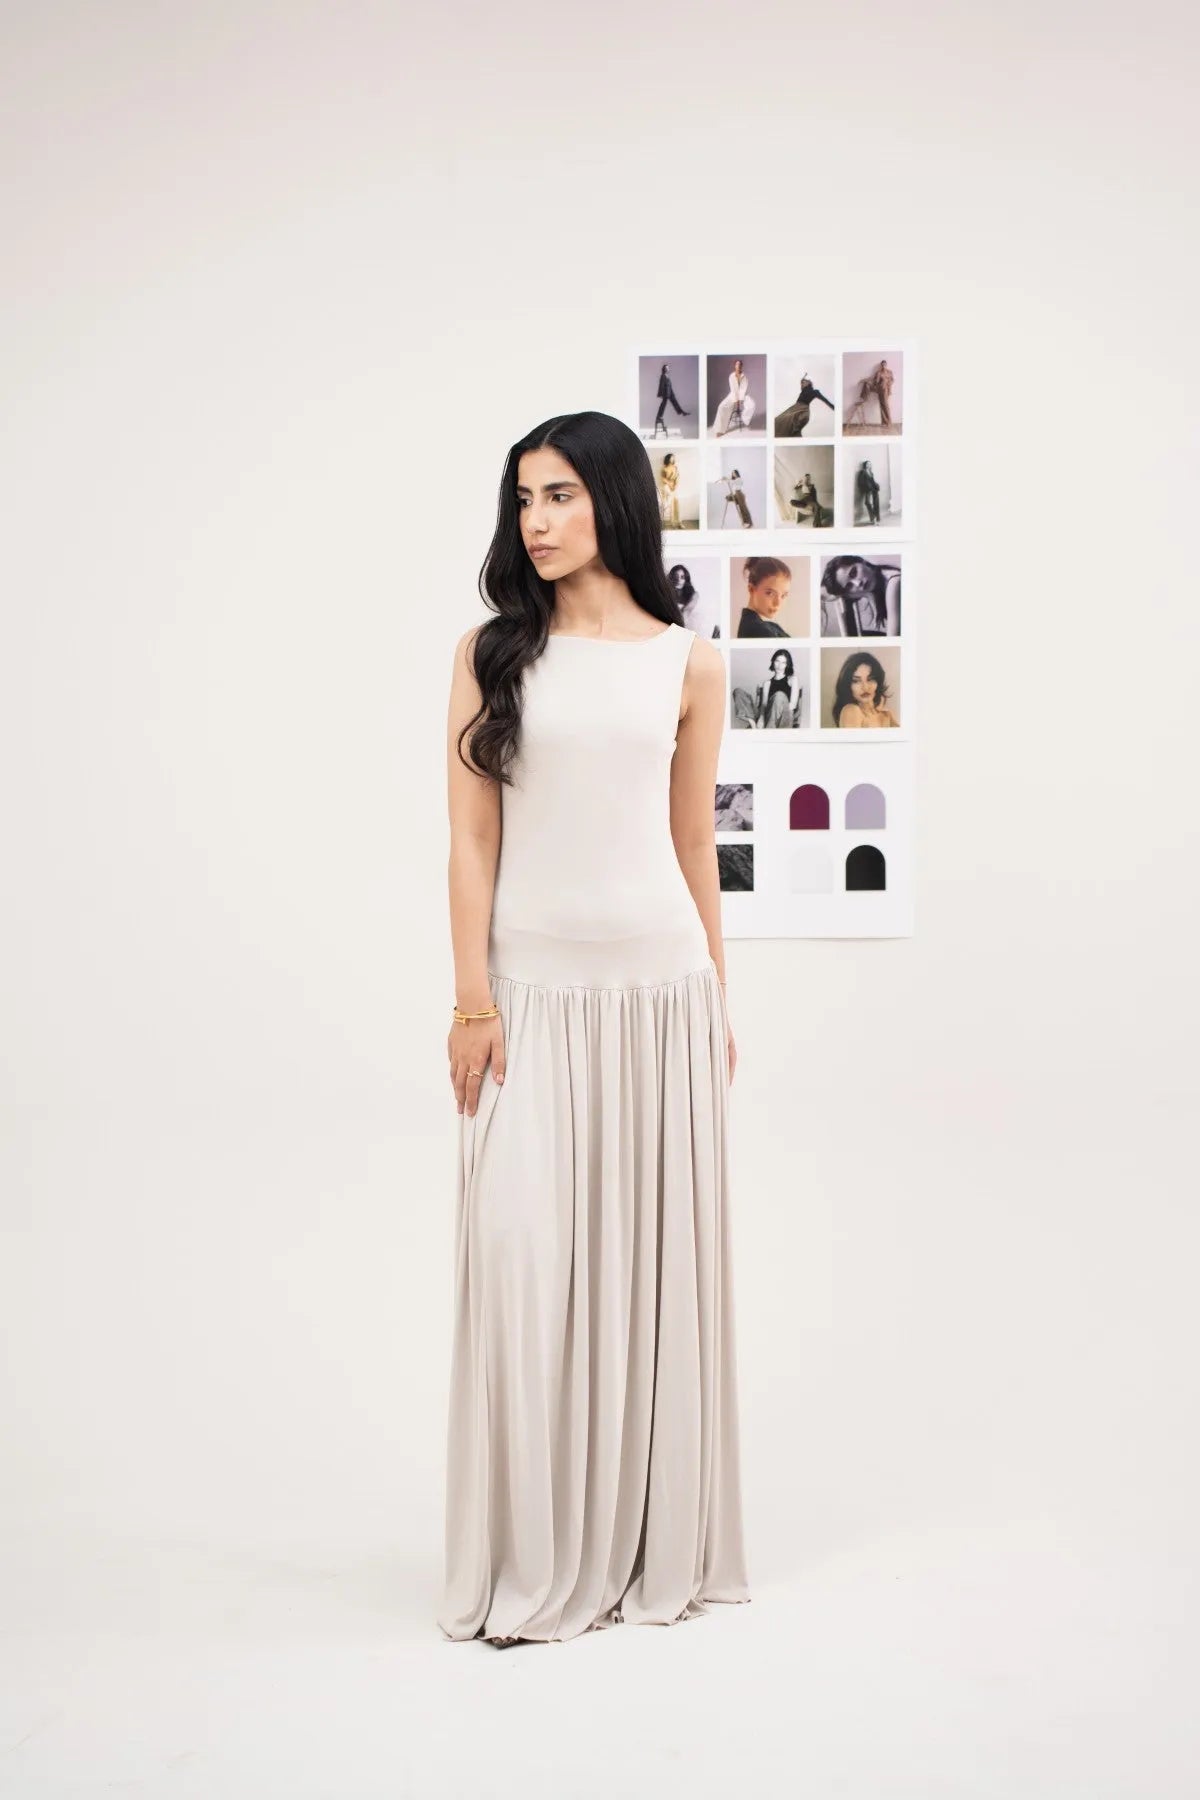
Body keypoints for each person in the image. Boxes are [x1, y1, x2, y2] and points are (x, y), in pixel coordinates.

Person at [439, 410, 751, 1647]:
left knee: (649, 1274)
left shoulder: (690, 662)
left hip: (659, 990)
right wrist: (471, 999)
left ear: (615, 499)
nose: (538, 521)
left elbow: (694, 840)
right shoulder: (491, 653)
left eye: (561, 494)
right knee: (525, 1258)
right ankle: (536, 1553)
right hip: (529, 999)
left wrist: (717, 995)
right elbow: (471, 839)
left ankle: (639, 1546)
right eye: (524, 499)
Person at [819, 555, 901, 636]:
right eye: (849, 586)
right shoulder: (878, 579)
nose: (858, 583)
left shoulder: (893, 584)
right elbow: (828, 595)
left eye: (854, 573)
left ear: (861, 561)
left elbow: (892, 639)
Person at [830, 651, 898, 727]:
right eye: (856, 681)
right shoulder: (851, 710)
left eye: (870, 679)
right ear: (847, 685)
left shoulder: (887, 715)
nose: (865, 687)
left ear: (878, 681)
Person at [736, 555, 792, 637]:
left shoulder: (767, 626)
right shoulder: (759, 631)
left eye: (783, 595)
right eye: (770, 593)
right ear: (751, 589)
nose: (777, 603)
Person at [713, 358, 756, 435]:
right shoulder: (731, 376)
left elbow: (743, 389)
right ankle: (720, 430)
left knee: (752, 404)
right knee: (721, 407)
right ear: (735, 366)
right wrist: (736, 400)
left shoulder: (744, 377)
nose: (738, 366)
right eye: (737, 364)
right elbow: (733, 389)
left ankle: (744, 418)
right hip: (733, 394)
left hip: (743, 395)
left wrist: (741, 400)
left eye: (740, 364)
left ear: (742, 366)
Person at [653, 361, 690, 431]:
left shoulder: (667, 376)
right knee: (663, 405)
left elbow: (670, 386)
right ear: (664, 369)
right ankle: (659, 416)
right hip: (665, 394)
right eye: (667, 368)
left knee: (675, 402)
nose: (668, 369)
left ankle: (681, 412)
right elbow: (661, 385)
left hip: (670, 393)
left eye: (668, 368)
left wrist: (672, 393)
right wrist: (661, 394)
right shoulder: (663, 376)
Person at [658, 450, 681, 526]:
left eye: (673, 458)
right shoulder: (664, 468)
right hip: (666, 487)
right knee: (668, 503)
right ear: (668, 459)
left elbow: (677, 477)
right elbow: (663, 479)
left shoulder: (675, 467)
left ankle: (678, 521)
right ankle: (671, 522)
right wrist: (669, 484)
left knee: (676, 501)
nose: (672, 459)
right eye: (671, 458)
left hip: (674, 487)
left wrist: (675, 485)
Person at [855, 459, 881, 525]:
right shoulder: (862, 472)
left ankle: (876, 518)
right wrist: (865, 487)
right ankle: (873, 517)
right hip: (867, 489)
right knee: (867, 502)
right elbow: (860, 482)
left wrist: (877, 485)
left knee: (876, 503)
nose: (869, 465)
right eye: (867, 464)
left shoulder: (871, 472)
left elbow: (873, 481)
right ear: (865, 465)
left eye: (870, 464)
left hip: (874, 489)